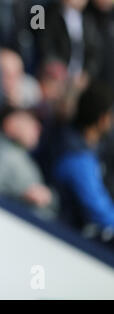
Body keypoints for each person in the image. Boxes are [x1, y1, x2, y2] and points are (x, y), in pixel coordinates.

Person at [53, 83, 114, 233]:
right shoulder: (77, 158)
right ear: (102, 119)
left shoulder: (94, 147)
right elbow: (99, 211)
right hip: (65, 234)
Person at [0, 107, 56, 217]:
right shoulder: (1, 154)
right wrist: (22, 197)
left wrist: (49, 197)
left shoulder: (25, 157)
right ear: (10, 123)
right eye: (30, 122)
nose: (38, 128)